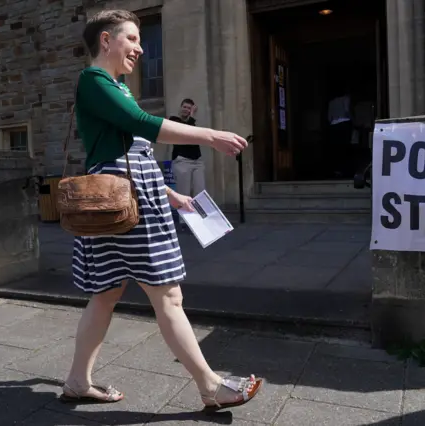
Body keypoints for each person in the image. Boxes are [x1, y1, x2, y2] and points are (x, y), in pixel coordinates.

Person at [60, 9, 263, 411]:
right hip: (124, 202)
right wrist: (210, 135)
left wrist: (171, 194)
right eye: (132, 38)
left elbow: (134, 152)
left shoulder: (115, 86)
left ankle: (77, 381)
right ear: (106, 40)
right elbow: (141, 124)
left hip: (116, 200)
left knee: (106, 293)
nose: (139, 47)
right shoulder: (95, 80)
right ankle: (210, 386)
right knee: (167, 296)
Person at [168, 99, 205, 230]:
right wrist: (192, 116)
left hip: (197, 161)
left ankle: (200, 220)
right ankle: (185, 223)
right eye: (184, 107)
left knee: (200, 191)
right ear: (180, 107)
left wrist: (192, 118)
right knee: (184, 193)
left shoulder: (192, 123)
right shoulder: (174, 120)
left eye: (189, 108)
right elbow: (186, 131)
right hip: (182, 161)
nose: (186, 110)